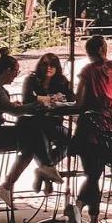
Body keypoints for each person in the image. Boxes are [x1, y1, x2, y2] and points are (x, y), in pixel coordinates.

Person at [0, 51, 63, 209]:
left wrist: (16, 106)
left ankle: (15, 182)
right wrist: (39, 104)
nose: (16, 75)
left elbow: (5, 108)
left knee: (30, 135)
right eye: (16, 71)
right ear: (8, 71)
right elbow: (15, 112)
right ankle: (43, 168)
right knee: (31, 130)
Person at [68, 35, 112, 223]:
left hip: (90, 127)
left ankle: (78, 207)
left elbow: (79, 103)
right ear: (105, 48)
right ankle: (93, 222)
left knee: (92, 174)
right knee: (97, 175)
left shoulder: (88, 72)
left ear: (88, 53)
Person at [22, 52, 75, 181]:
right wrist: (49, 98)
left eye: (52, 65)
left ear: (57, 68)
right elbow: (27, 99)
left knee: (71, 141)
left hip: (54, 123)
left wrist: (58, 100)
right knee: (38, 141)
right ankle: (46, 169)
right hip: (35, 123)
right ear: (40, 66)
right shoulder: (31, 80)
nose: (48, 68)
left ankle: (44, 169)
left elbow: (72, 99)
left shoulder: (62, 81)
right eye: (45, 64)